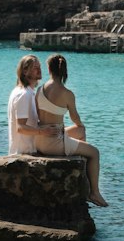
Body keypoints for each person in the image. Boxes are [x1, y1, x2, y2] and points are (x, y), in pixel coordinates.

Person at [32, 54, 109, 207]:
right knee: (94, 152)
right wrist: (80, 123)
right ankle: (93, 191)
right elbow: (75, 120)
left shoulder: (40, 90)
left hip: (39, 140)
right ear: (64, 70)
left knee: (80, 132)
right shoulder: (67, 94)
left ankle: (84, 178)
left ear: (49, 69)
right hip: (53, 144)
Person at [7, 54, 58, 155]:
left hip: (27, 150)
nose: (39, 70)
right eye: (35, 68)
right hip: (23, 153)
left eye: (39, 67)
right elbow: (20, 127)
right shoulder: (23, 94)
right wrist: (43, 131)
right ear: (25, 71)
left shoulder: (25, 92)